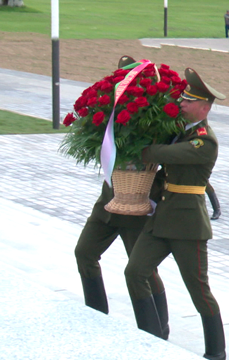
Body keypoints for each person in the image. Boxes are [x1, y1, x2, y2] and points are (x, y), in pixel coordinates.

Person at [124, 68, 227, 360]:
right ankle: (151, 335)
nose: (181, 104)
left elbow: (164, 155)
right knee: (135, 271)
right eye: (182, 99)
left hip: (188, 225)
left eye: (188, 101)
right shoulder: (180, 131)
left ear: (204, 107)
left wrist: (139, 149)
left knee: (198, 290)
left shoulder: (204, 141)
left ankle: (216, 353)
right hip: (162, 219)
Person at [74, 55, 170, 340]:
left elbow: (170, 161)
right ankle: (96, 315)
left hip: (138, 207)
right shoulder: (111, 113)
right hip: (108, 203)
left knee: (142, 270)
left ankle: (158, 328)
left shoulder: (158, 117)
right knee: (84, 253)